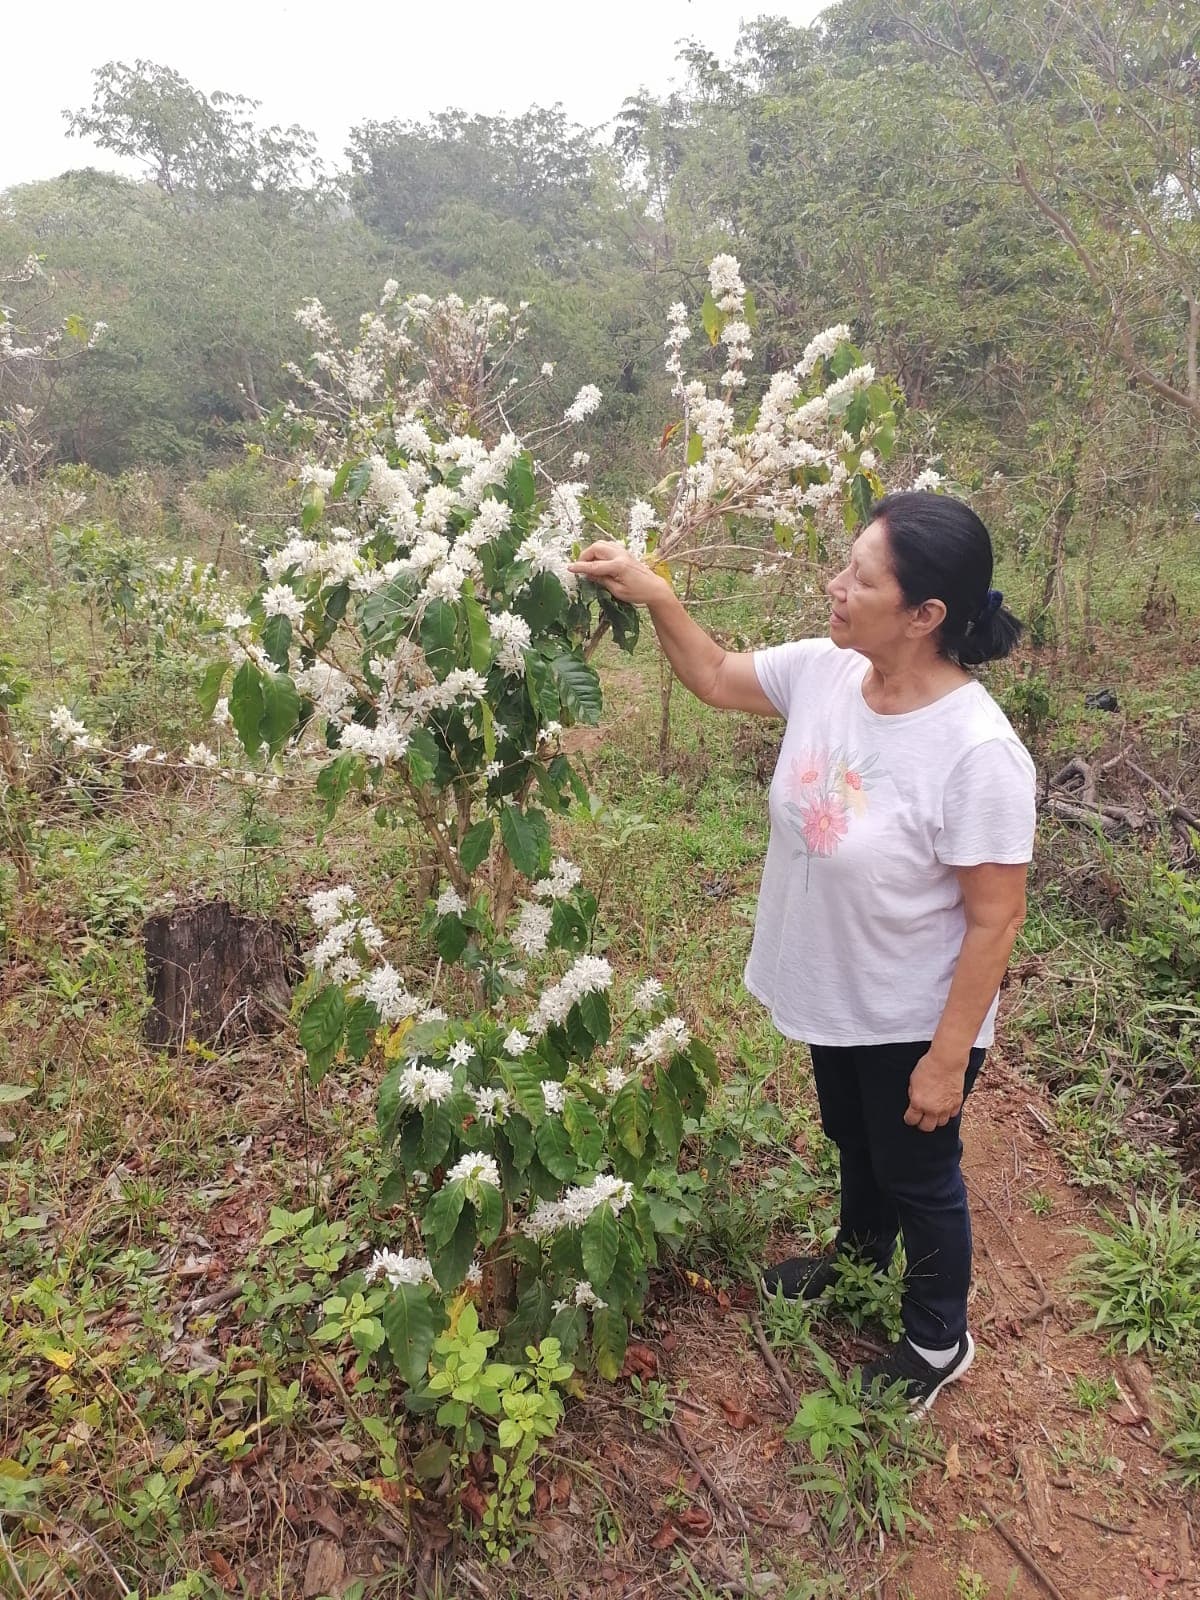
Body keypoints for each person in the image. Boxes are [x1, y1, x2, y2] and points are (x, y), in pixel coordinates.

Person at [570, 492, 1036, 1413]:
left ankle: (937, 1338)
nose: (835, 587)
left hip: (911, 1012)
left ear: (925, 615)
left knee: (918, 1174)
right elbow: (713, 675)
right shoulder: (828, 670)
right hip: (837, 988)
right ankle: (858, 1256)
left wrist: (948, 1059)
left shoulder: (976, 751)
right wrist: (656, 593)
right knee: (853, 1137)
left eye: (860, 579)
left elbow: (997, 918)